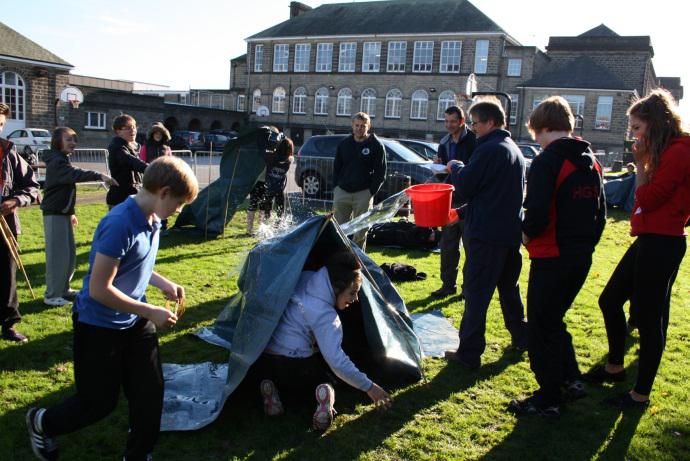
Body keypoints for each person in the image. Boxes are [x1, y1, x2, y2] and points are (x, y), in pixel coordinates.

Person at [26, 156, 199, 461]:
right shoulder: (120, 223)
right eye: (179, 203)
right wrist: (150, 312)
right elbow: (99, 289)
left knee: (149, 392)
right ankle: (41, 422)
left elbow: (135, 262)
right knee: (98, 403)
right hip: (98, 324)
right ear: (163, 192)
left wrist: (162, 283)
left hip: (134, 320)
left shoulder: (154, 218)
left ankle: (138, 455)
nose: (178, 210)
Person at [584, 89, 690, 409]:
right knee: (610, 300)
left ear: (655, 124)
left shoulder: (680, 150)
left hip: (663, 242)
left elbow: (647, 197)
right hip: (650, 238)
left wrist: (641, 165)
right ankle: (615, 366)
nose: (633, 134)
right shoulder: (665, 150)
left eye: (637, 127)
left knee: (648, 318)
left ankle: (639, 394)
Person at [508, 96, 606, 417]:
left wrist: (525, 235)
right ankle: (571, 378)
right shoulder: (590, 160)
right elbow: (600, 214)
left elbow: (536, 211)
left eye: (537, 133)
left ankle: (548, 396)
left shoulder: (548, 161)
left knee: (538, 326)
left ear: (546, 128)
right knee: (553, 320)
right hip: (580, 256)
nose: (535, 139)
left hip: (553, 255)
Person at [248, 251, 392, 431]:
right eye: (353, 293)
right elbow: (337, 361)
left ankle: (271, 390)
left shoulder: (304, 276)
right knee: (325, 380)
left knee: (276, 374)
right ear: (337, 287)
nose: (355, 299)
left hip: (266, 359)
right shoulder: (326, 315)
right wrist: (370, 387)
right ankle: (324, 403)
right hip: (296, 365)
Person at [443, 98, 528, 369]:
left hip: (487, 237)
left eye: (476, 123)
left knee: (476, 293)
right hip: (508, 235)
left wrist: (455, 166)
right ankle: (522, 337)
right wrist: (466, 212)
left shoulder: (489, 149)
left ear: (490, 122)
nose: (474, 128)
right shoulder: (512, 148)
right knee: (509, 290)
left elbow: (466, 185)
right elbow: (494, 192)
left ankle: (468, 353)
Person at [41, 127, 118, 307]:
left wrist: (71, 212)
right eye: (69, 139)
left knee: (69, 255)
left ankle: (63, 289)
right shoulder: (56, 161)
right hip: (54, 213)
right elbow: (74, 175)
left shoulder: (61, 159)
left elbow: (65, 185)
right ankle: (52, 295)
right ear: (57, 141)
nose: (73, 143)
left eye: (75, 139)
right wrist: (99, 175)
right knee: (57, 256)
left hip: (63, 213)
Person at [0, 102, 40, 343]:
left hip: (5, 224)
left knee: (6, 276)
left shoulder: (8, 150)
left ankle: (8, 324)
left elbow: (32, 187)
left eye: (1, 125)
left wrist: (15, 201)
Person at [432, 105, 476, 298]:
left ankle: (468, 289)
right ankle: (447, 285)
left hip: (469, 202)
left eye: (453, 121)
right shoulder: (444, 143)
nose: (449, 125)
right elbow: (443, 176)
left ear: (462, 121)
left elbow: (476, 171)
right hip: (449, 201)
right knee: (448, 247)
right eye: (446, 121)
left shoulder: (474, 140)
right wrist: (437, 168)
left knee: (470, 248)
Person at [333, 112, 387, 250]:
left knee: (361, 231)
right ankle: (340, 260)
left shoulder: (376, 145)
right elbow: (336, 168)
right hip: (342, 192)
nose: (359, 128)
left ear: (369, 126)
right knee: (339, 230)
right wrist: (336, 188)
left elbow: (381, 172)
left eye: (363, 126)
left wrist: (371, 191)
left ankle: (358, 263)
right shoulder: (344, 144)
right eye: (356, 125)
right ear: (352, 125)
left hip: (363, 193)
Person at [106, 114, 148, 209]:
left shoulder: (134, 147)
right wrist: (153, 169)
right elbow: (132, 162)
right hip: (120, 199)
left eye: (134, 127)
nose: (133, 130)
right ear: (118, 131)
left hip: (133, 197)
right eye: (128, 127)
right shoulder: (117, 147)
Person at [263, 136, 294, 218]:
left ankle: (265, 221)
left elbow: (265, 151)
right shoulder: (288, 161)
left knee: (267, 208)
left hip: (269, 186)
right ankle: (278, 225)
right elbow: (289, 158)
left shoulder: (270, 157)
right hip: (279, 188)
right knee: (280, 210)